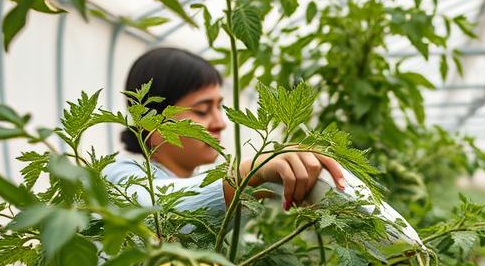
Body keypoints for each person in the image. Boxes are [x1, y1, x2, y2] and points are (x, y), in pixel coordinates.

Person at [104, 47, 345, 214]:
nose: (220, 123)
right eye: (202, 110)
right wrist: (253, 171)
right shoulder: (118, 177)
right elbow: (158, 207)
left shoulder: (201, 180)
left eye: (219, 107)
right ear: (151, 122)